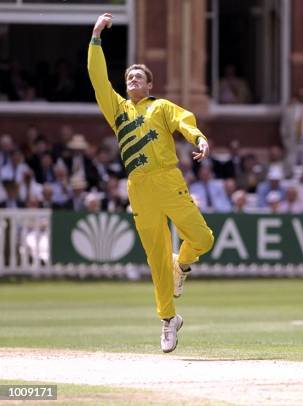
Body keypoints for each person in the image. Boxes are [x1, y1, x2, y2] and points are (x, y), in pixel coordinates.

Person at [88, 13, 215, 353]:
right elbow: (99, 80)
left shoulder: (160, 106)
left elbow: (184, 120)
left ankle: (183, 263)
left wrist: (199, 138)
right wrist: (96, 38)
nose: (131, 80)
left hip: (168, 180)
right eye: (129, 76)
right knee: (155, 259)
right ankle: (168, 319)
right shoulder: (118, 110)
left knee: (202, 238)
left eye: (138, 77)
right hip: (139, 188)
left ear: (149, 85)